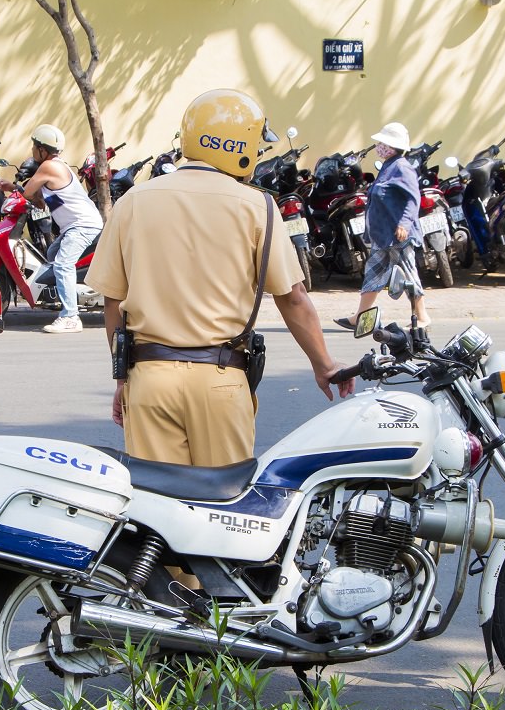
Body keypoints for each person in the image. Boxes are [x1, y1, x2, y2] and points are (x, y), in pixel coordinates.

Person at [86, 88, 355, 467]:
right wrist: (323, 363)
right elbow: (292, 297)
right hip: (221, 380)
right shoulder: (257, 206)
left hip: (149, 378)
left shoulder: (134, 200)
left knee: (158, 510)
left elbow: (113, 303)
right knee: (222, 511)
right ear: (238, 145)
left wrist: (123, 377)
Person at [1, 124, 103, 334]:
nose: (32, 150)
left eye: (34, 146)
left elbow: (27, 193)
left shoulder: (49, 167)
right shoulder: (56, 168)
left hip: (82, 225)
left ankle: (70, 317)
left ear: (42, 150)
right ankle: (67, 294)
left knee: (63, 265)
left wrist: (11, 188)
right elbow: (42, 202)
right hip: (76, 225)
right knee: (52, 253)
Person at [336, 122, 431, 332]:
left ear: (392, 146)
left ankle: (422, 316)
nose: (378, 146)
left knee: (407, 275)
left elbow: (413, 199)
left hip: (398, 235)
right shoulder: (389, 166)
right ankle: (360, 317)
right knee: (373, 274)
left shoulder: (402, 167)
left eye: (382, 143)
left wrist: (404, 224)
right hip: (383, 235)